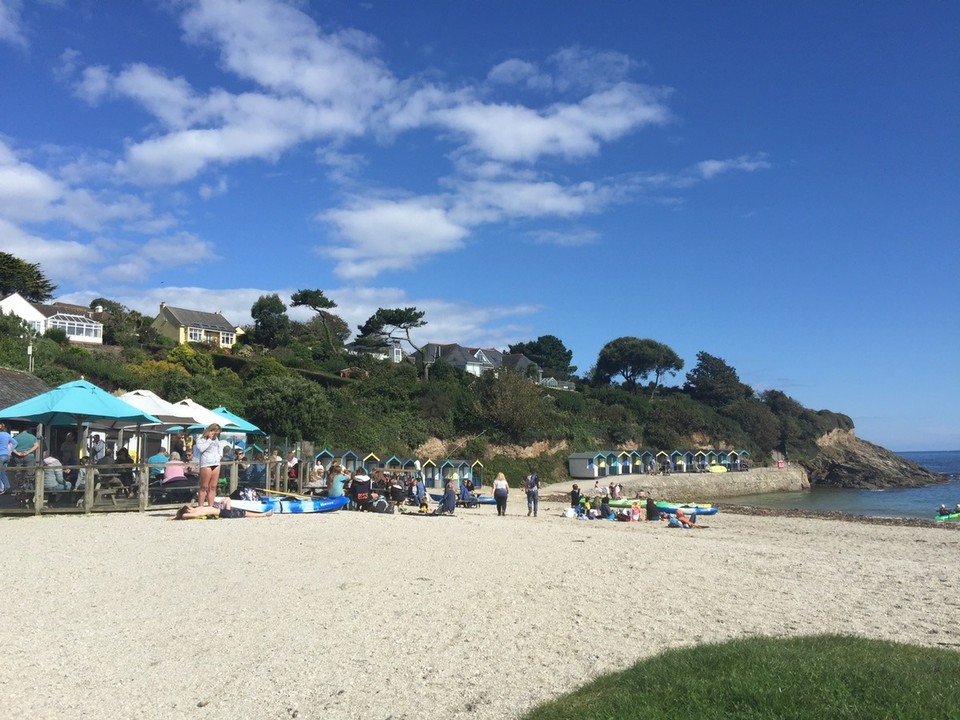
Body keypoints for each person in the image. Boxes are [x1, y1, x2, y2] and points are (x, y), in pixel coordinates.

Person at [194, 423, 222, 507]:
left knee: (213, 486)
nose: (214, 433)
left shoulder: (216, 439)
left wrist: (219, 456)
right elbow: (201, 449)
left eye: (216, 432)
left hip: (216, 463)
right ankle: (201, 507)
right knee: (204, 486)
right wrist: (209, 439)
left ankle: (210, 507)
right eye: (213, 431)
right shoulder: (200, 438)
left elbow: (220, 448)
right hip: (206, 463)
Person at [173, 496, 272, 520]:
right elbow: (184, 515)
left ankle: (263, 514)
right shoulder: (194, 512)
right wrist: (178, 516)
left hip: (221, 510)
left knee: (228, 499)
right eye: (189, 507)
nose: (191, 506)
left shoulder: (198, 509)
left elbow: (181, 514)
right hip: (223, 513)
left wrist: (175, 517)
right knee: (244, 513)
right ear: (188, 509)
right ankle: (263, 514)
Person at [0, 422, 13, 495]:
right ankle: (7, 487)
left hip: (1, 456)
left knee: (0, 473)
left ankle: (3, 488)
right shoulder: (8, 438)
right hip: (7, 456)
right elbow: (15, 443)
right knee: (3, 472)